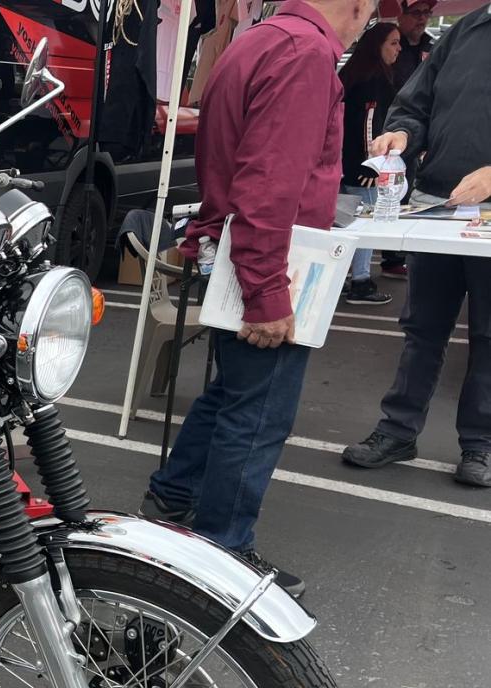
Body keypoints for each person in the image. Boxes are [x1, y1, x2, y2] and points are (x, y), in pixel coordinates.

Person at [139, 0, 377, 598]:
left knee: (235, 393)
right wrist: (268, 291)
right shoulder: (305, 51)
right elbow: (271, 182)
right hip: (267, 255)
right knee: (259, 407)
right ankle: (224, 553)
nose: (363, 26)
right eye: (368, 15)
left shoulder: (259, 39)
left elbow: (241, 165)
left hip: (238, 249)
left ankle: (176, 493)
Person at [342, 8, 491, 487]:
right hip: (437, 204)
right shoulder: (467, 30)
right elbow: (414, 103)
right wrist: (403, 134)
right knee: (422, 328)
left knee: (489, 337)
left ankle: (481, 445)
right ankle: (398, 430)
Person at [339, 21, 401, 306]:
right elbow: (368, 124)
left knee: (346, 222)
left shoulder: (354, 73)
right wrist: (370, 164)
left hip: (343, 162)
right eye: (393, 42)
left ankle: (344, 277)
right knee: (364, 223)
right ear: (377, 45)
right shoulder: (374, 78)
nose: (399, 49)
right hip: (360, 166)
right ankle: (360, 281)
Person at [379, 0, 436, 279]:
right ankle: (388, 256)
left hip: (414, 135)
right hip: (386, 132)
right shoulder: (385, 43)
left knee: (408, 193)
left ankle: (397, 254)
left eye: (427, 13)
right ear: (400, 16)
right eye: (416, 13)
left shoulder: (433, 48)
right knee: (385, 195)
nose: (423, 19)